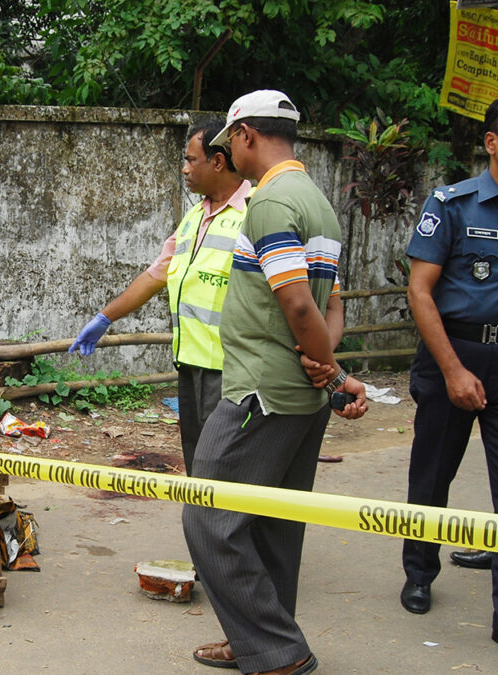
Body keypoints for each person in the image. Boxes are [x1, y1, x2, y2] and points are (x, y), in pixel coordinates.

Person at [182, 90, 367, 674]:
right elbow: (330, 306)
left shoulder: (269, 203)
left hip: (258, 391)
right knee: (272, 523)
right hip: (298, 395)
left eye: (225, 144)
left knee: (206, 512)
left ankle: (277, 652)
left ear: (243, 137)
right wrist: (324, 365)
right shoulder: (319, 204)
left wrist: (332, 370)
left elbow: (297, 305)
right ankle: (258, 640)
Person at [399, 95, 498, 672]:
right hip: (453, 351)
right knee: (433, 470)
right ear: (492, 142)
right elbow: (420, 292)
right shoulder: (452, 204)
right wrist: (452, 370)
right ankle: (419, 572)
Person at [69, 120, 253, 476]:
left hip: (232, 372)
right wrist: (105, 317)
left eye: (191, 160)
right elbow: (156, 276)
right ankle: (204, 530)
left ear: (217, 161)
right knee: (199, 468)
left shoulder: (254, 213)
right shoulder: (195, 218)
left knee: (228, 469)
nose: (184, 169)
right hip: (190, 367)